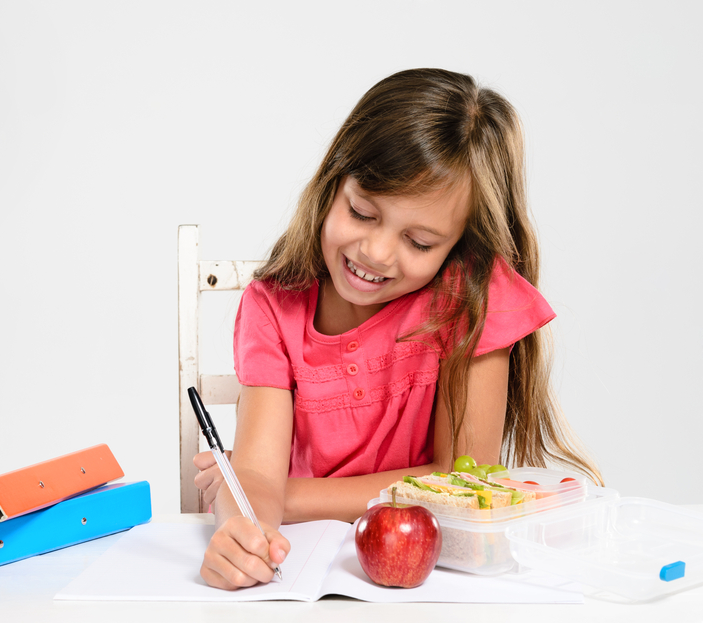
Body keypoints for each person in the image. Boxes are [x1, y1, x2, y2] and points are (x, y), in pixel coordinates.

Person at [194, 68, 601, 591]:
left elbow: (464, 481)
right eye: (362, 212)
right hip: (307, 570)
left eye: (421, 242)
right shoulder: (274, 305)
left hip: (440, 584)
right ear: (332, 183)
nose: (376, 253)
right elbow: (254, 478)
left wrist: (286, 494)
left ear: (458, 243)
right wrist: (240, 528)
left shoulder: (473, 301)